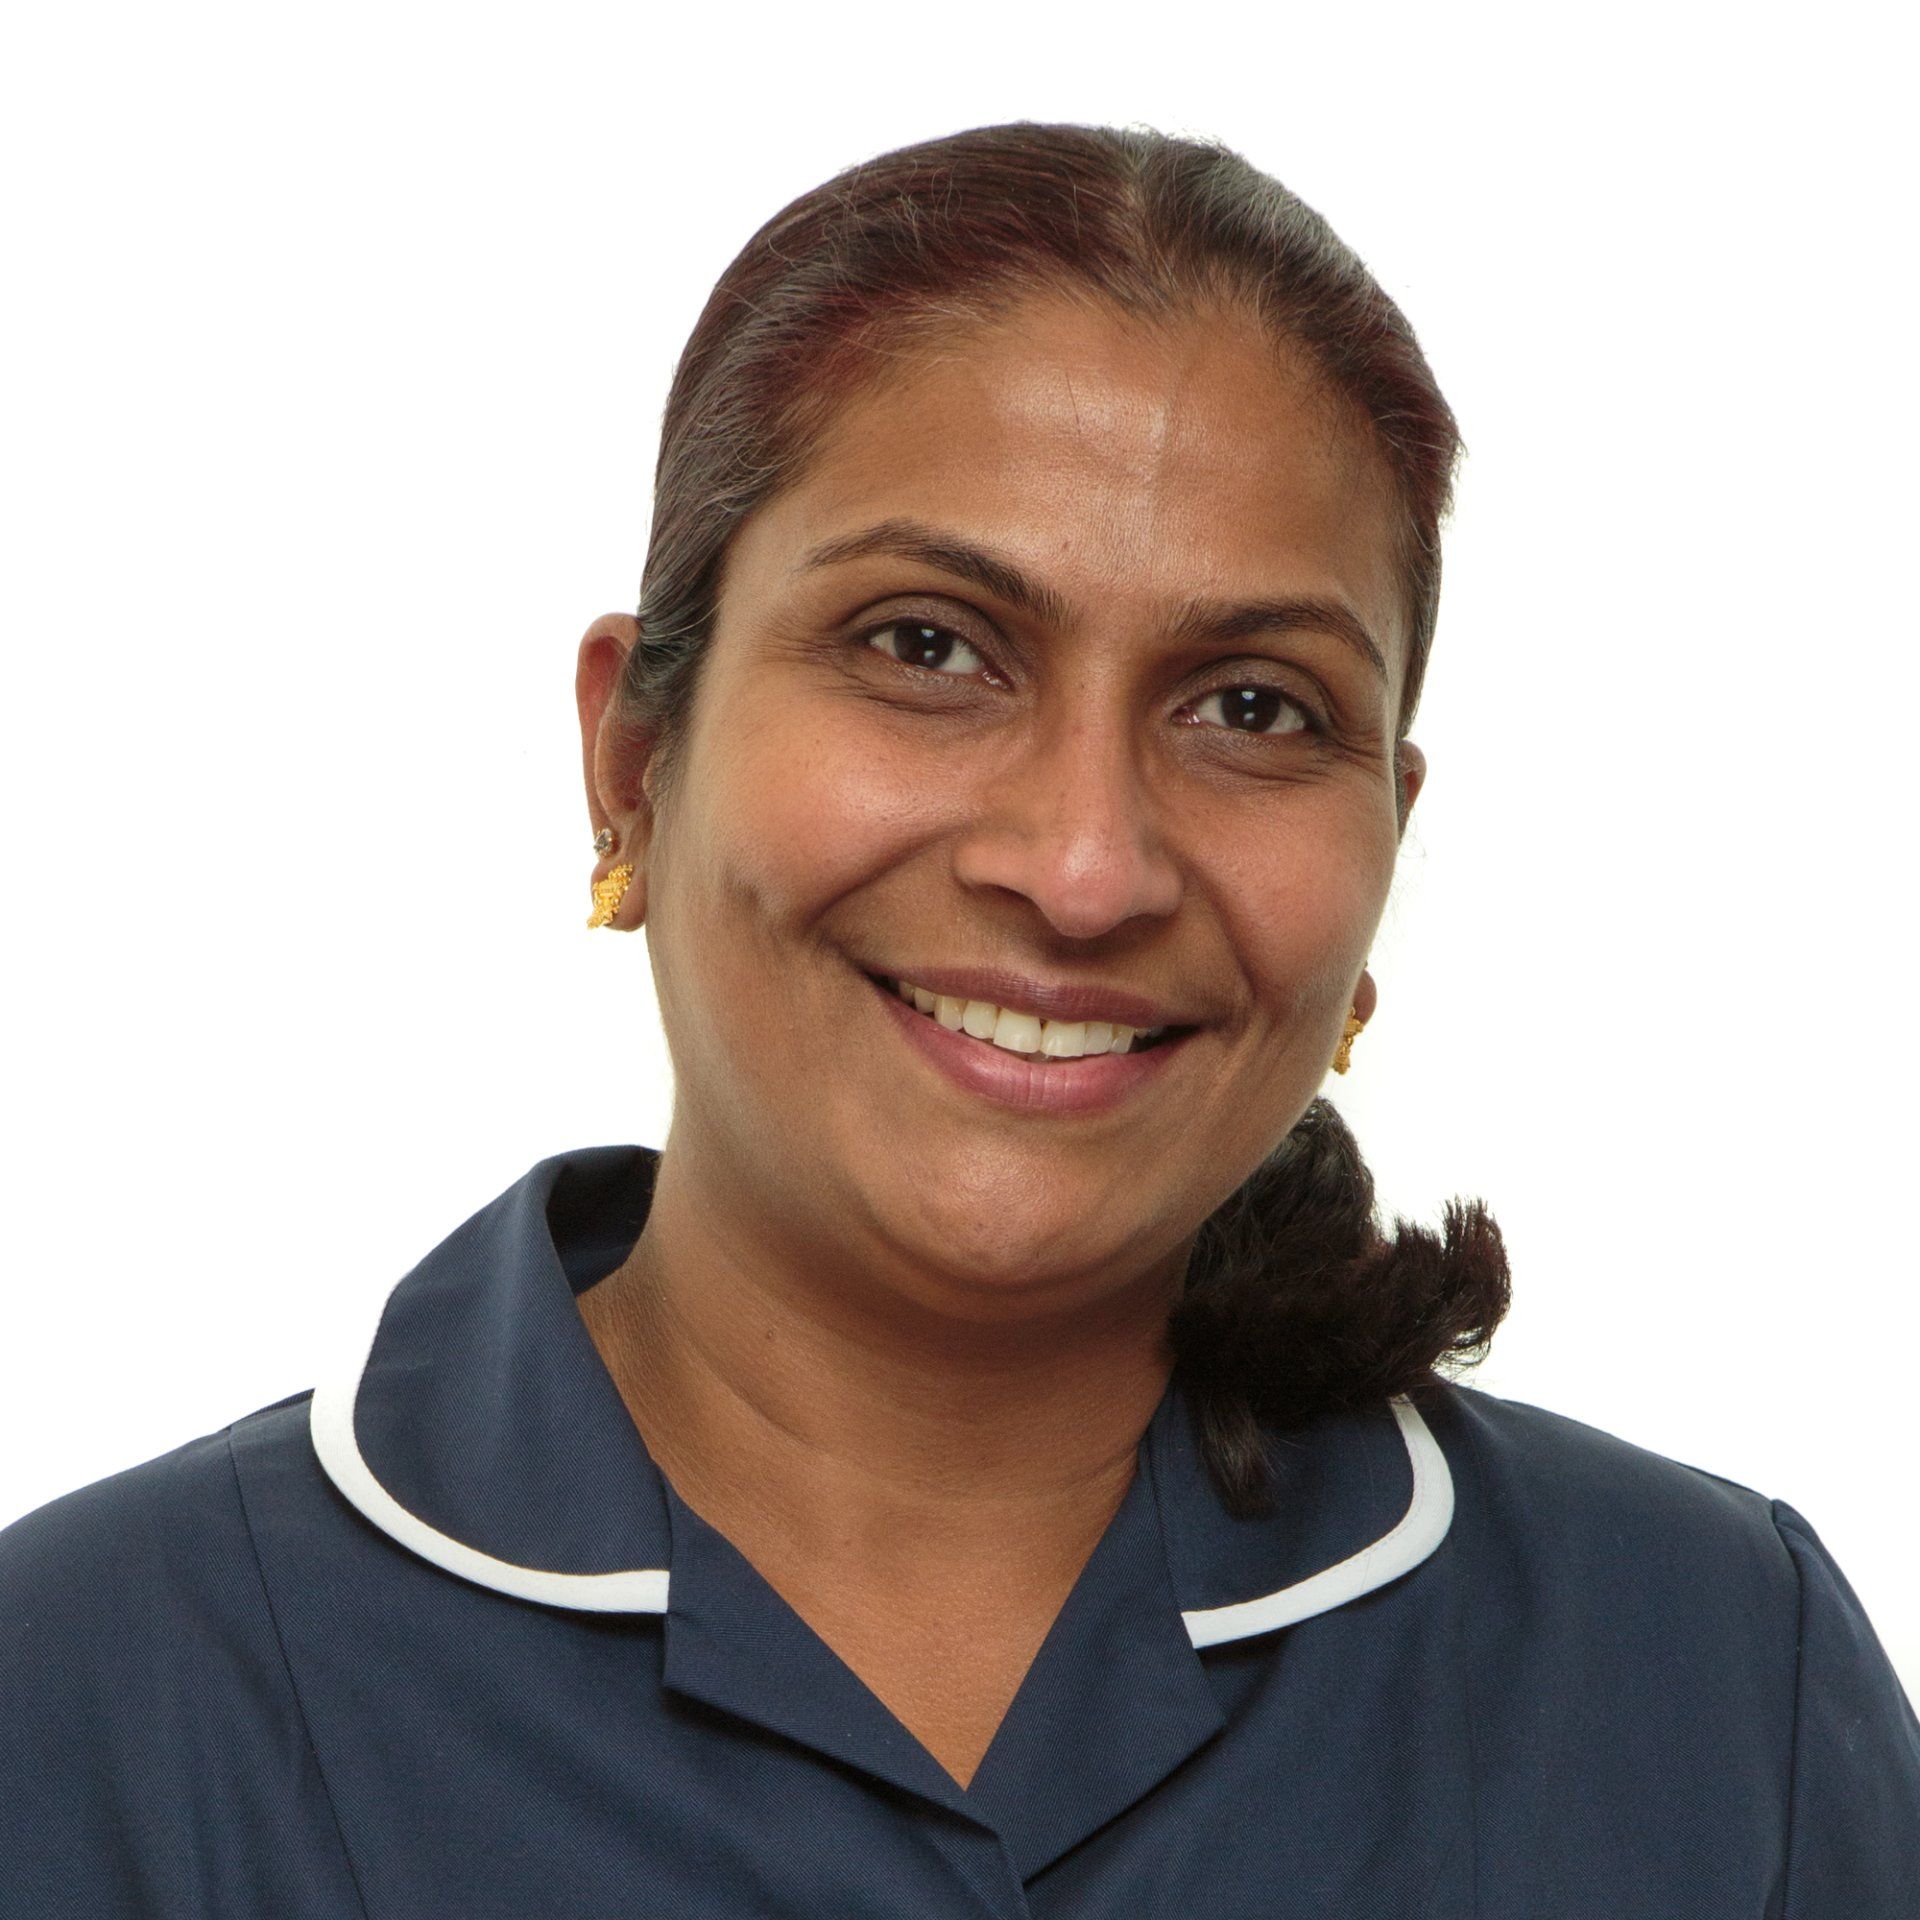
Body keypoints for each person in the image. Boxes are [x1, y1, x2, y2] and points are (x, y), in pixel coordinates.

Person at [3, 119, 1916, 1917]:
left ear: (1386, 842)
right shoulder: (95, 1698)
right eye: (928, 647)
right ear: (633, 758)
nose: (1087, 868)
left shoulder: (1721, 1686)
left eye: (1253, 706)